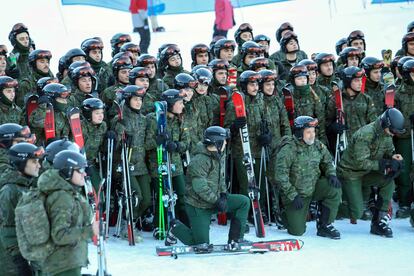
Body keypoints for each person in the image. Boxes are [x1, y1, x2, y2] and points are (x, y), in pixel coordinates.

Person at [165, 126, 250, 247]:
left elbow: (220, 179)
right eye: (224, 140)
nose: (226, 142)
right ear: (217, 142)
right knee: (201, 245)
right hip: (198, 205)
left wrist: (223, 195)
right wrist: (217, 201)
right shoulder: (199, 160)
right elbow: (200, 187)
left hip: (214, 200)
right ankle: (175, 228)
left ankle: (236, 239)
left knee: (243, 202)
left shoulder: (217, 155)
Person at [337, 108, 405, 237]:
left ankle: (378, 223)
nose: (393, 134)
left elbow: (389, 152)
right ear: (385, 124)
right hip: (350, 172)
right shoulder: (366, 134)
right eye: (392, 131)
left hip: (367, 172)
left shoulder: (386, 135)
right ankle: (329, 207)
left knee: (388, 181)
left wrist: (395, 160)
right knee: (356, 213)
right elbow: (360, 162)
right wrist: (383, 164)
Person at [272, 116, 341, 239]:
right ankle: (283, 213)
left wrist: (331, 174)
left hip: (313, 187)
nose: (312, 135)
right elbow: (280, 176)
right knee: (297, 231)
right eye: (308, 132)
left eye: (313, 132)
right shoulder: (288, 149)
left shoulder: (318, 145)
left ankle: (325, 225)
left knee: (333, 188)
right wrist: (293, 195)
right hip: (295, 195)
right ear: (299, 133)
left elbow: (328, 161)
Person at [35, 150, 98, 275]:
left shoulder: (68, 192)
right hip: (62, 266)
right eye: (79, 170)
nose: (84, 174)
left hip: (67, 261)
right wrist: (90, 231)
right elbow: (60, 235)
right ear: (67, 171)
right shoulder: (62, 197)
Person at [0, 142, 44, 275]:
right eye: (34, 161)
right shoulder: (10, 190)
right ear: (21, 163)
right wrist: (22, 259)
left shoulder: (26, 186)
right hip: (14, 260)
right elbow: (8, 230)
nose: (38, 165)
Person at [394, 59, 414, 218]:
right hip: (405, 136)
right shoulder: (398, 93)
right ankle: (405, 202)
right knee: (405, 170)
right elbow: (395, 117)